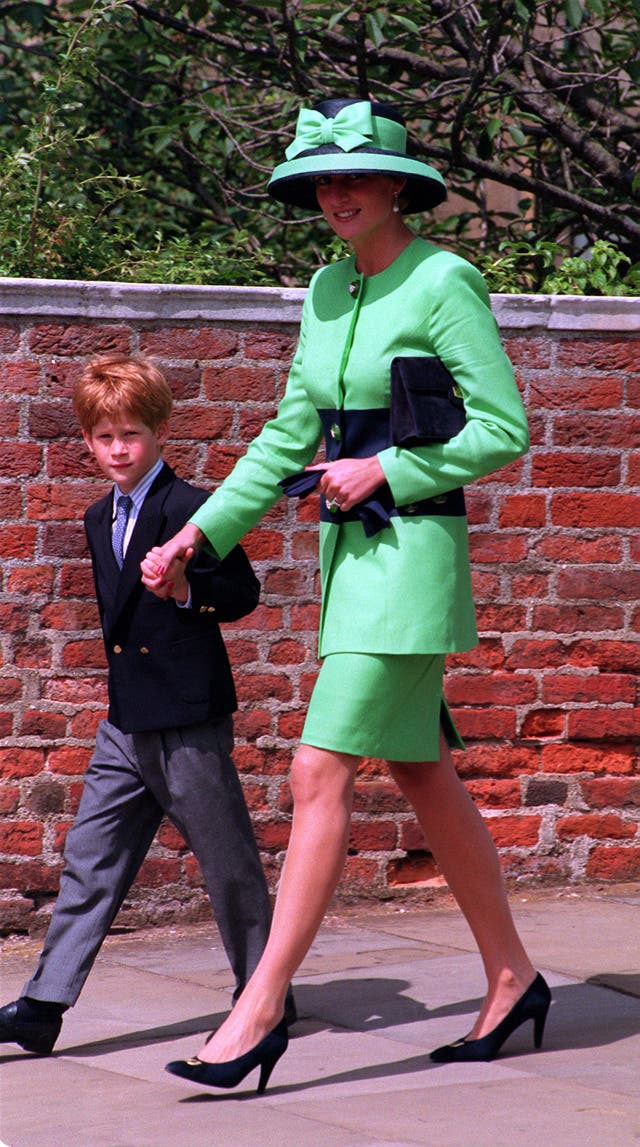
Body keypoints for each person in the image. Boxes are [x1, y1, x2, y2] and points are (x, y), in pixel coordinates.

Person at [141, 98, 551, 1095]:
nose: (337, 192)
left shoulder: (445, 279)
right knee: (420, 773)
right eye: (322, 179)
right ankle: (513, 979)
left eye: (356, 175)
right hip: (348, 573)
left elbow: (503, 427)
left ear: (398, 185)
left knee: (317, 771)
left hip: (408, 568)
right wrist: (197, 534)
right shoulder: (325, 291)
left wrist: (388, 469)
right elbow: (289, 434)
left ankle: (261, 1007)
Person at [0, 354, 294, 1057]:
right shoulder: (99, 516)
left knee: (227, 865)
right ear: (87, 440)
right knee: (90, 857)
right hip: (125, 720)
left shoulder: (192, 507)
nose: (118, 450)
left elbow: (244, 593)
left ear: (159, 430)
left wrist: (188, 592)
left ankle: (265, 993)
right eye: (104, 438)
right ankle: (44, 1004)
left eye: (130, 434)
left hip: (188, 718)